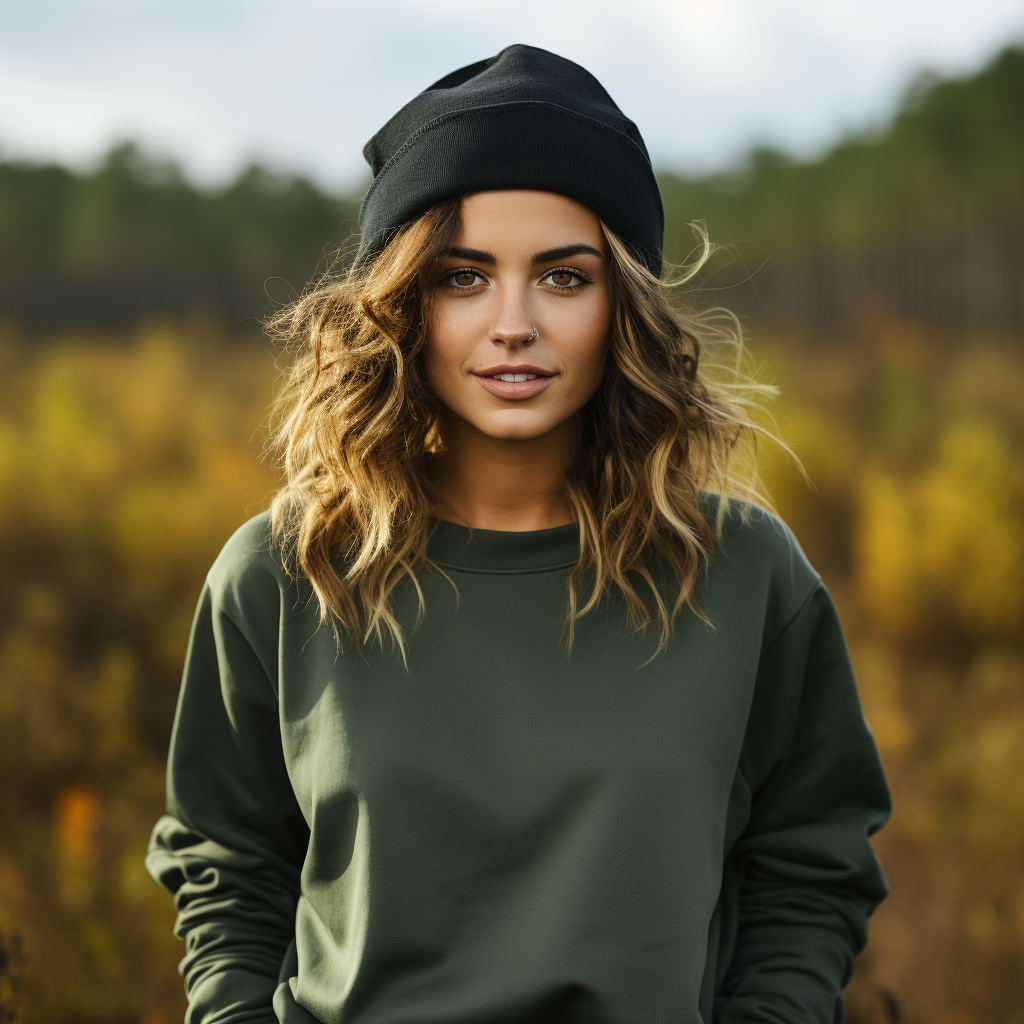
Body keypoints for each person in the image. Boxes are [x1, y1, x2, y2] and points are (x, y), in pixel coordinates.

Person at [147, 43, 890, 1024]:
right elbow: (228, 870)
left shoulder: (746, 575)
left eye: (562, 277)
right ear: (402, 302)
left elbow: (810, 865)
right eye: (462, 277)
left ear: (621, 301)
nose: (512, 323)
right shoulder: (284, 577)